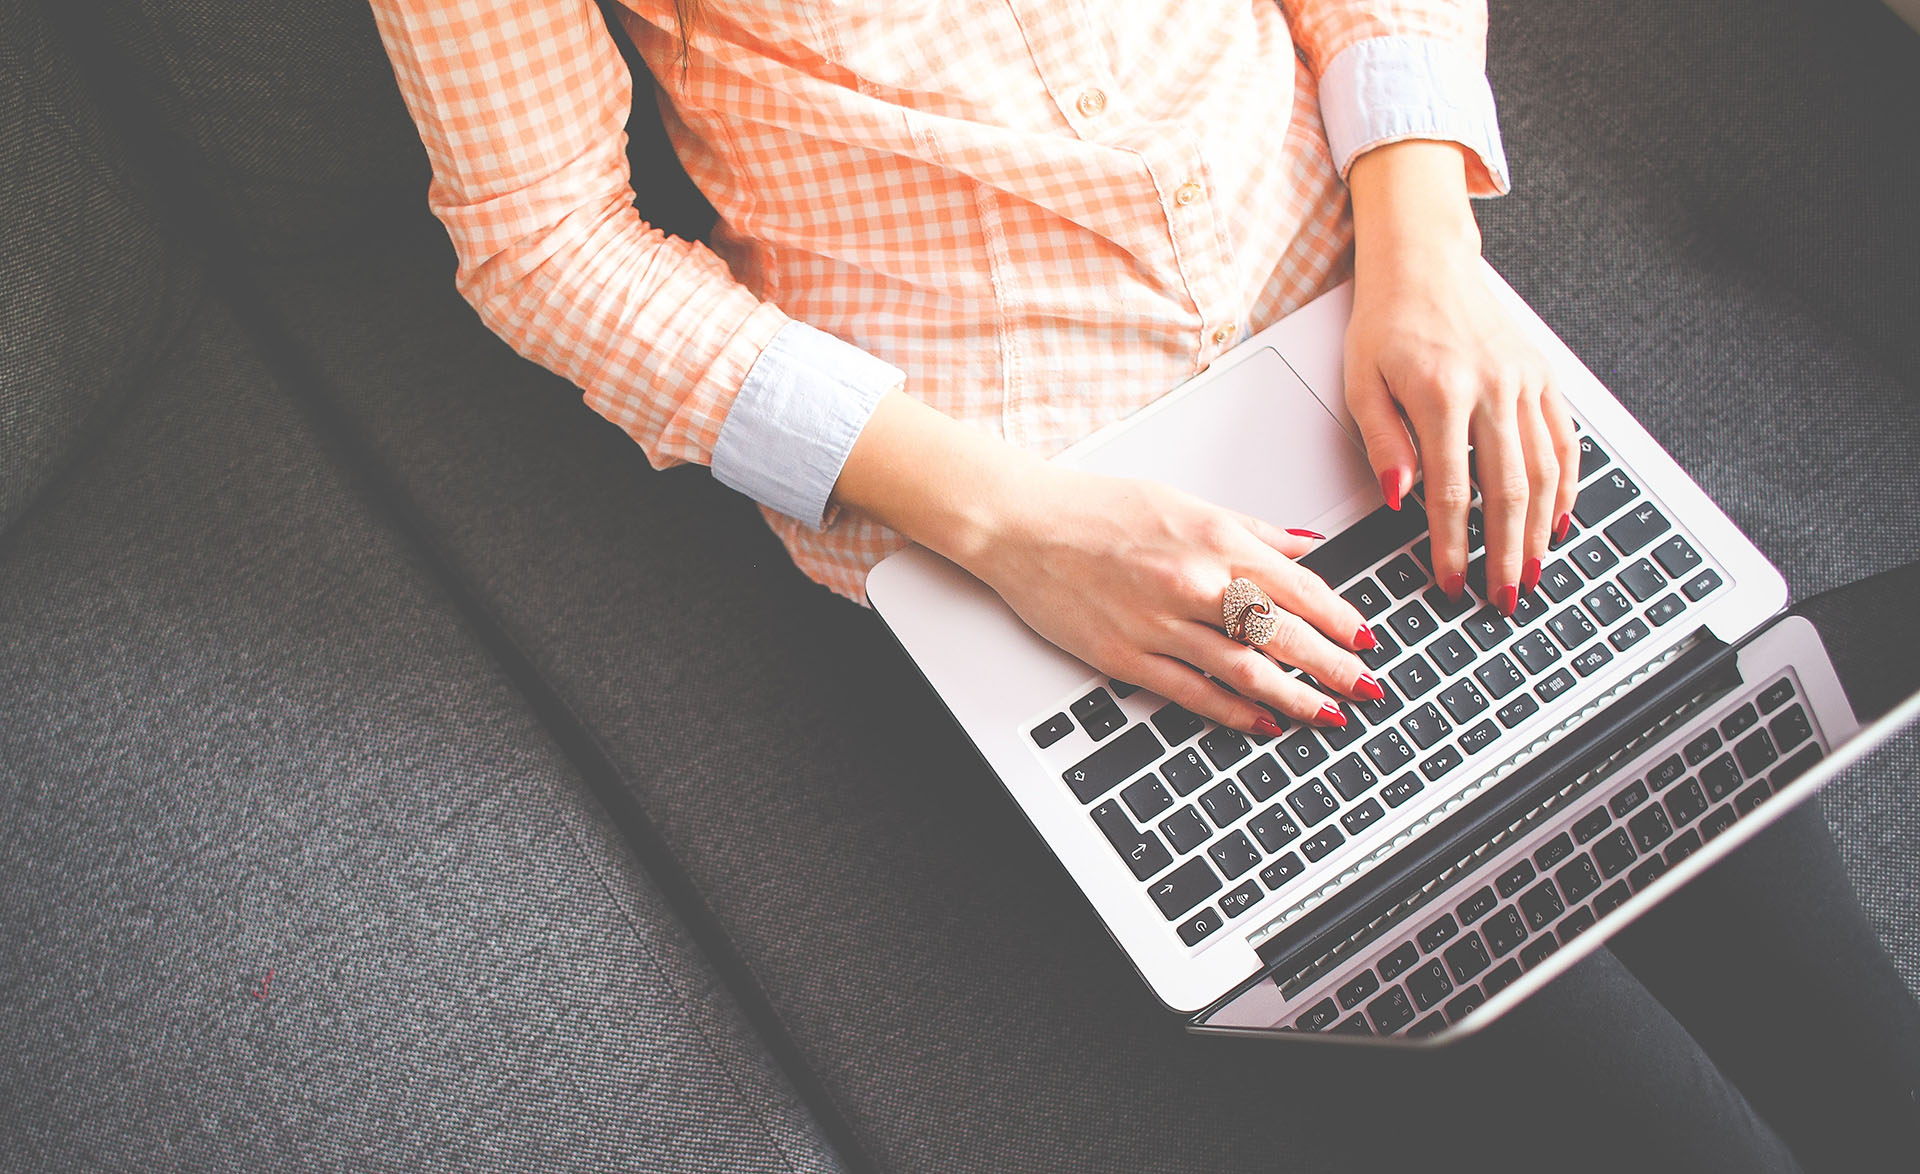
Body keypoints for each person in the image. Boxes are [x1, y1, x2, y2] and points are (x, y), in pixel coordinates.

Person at [369, 3, 1920, 1168]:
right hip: (1024, 500)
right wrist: (1016, 523)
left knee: (1830, 1000)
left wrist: (1427, 237)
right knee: (1618, 1103)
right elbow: (546, 239)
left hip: (1370, 322)